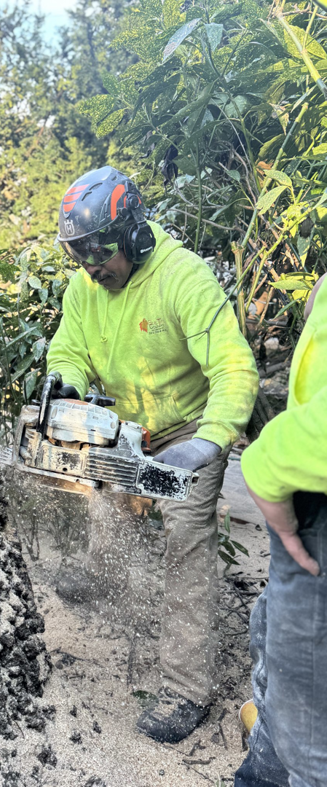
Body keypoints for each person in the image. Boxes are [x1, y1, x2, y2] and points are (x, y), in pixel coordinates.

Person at [46, 166, 259, 743]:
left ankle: (185, 688)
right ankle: (106, 579)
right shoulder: (84, 287)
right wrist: (64, 383)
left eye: (101, 252)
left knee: (186, 551)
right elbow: (69, 346)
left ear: (135, 233)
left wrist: (211, 439)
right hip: (125, 423)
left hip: (189, 429)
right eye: (80, 255)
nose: (93, 267)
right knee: (108, 514)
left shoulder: (184, 279)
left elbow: (235, 367)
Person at [234, 273, 327, 787]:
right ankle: (266, 760)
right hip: (305, 476)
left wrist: (265, 462)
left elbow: (231, 368)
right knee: (269, 626)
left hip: (307, 475)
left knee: (310, 740)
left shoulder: (181, 279)